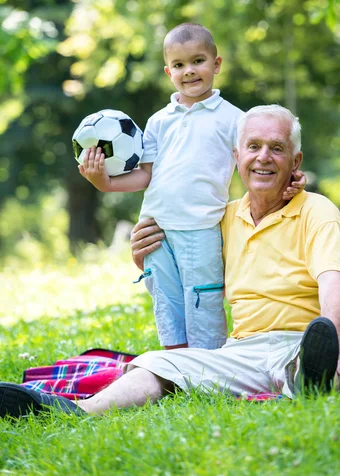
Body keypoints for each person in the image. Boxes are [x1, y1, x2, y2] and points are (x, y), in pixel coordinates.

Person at [0, 105, 340, 419]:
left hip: (308, 340)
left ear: (296, 160)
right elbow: (192, 275)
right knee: (157, 363)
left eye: (277, 148)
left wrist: (336, 338)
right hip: (244, 350)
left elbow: (332, 281)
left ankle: (316, 374)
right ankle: (74, 411)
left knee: (316, 358)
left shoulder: (316, 210)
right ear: (236, 156)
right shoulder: (217, 219)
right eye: (253, 146)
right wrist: (143, 259)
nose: (263, 157)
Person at [78, 22, 306, 351]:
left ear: (216, 64)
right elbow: (146, 175)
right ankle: (176, 362)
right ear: (168, 71)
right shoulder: (158, 121)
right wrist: (105, 182)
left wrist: (292, 178)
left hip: (201, 227)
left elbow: (260, 158)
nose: (189, 71)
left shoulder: (235, 120)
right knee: (166, 299)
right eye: (179, 65)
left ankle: (208, 363)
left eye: (198, 61)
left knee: (203, 299)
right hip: (155, 225)